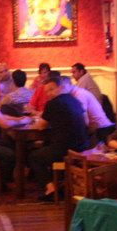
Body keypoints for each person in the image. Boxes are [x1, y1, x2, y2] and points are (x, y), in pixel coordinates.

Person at [28, 72, 88, 202]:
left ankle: (51, 189)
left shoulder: (53, 103)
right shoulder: (74, 100)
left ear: (60, 87)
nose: (48, 93)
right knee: (46, 148)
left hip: (65, 150)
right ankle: (60, 184)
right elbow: (85, 121)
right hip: (82, 148)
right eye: (46, 91)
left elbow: (40, 126)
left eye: (51, 89)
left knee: (34, 157)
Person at [69, 79, 115, 144]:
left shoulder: (79, 94)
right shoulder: (79, 92)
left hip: (99, 128)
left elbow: (83, 116)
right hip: (99, 127)